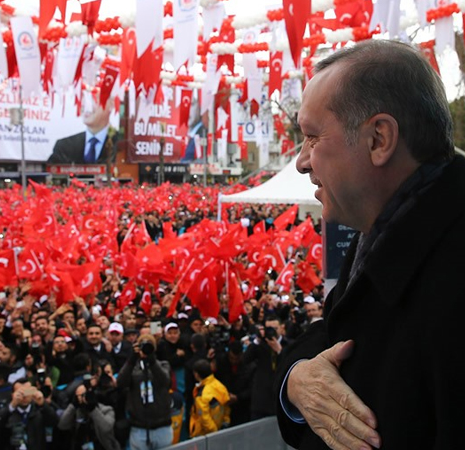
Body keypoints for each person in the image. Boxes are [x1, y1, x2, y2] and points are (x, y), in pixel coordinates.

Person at [276, 40, 463, 450]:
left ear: (379, 138)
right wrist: (296, 380)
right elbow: (333, 334)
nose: (301, 161)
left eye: (311, 137)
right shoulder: (381, 232)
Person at [116, 334, 173, 450]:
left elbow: (165, 382)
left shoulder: (163, 365)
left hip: (162, 426)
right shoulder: (133, 368)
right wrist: (131, 360)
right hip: (139, 428)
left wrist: (151, 360)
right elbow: (121, 383)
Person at [48, 100, 117, 164]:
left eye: (93, 100)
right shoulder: (64, 146)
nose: (86, 107)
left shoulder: (122, 145)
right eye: (83, 99)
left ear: (111, 104)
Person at [57, 382, 121, 450]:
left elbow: (106, 429)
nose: (82, 399)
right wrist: (73, 405)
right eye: (79, 396)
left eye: (84, 395)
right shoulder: (76, 412)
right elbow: (62, 425)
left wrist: (92, 409)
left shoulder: (107, 410)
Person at [189, 359, 230, 437]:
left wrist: (215, 432)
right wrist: (226, 422)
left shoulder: (201, 395)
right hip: (221, 427)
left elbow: (204, 419)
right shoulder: (220, 385)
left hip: (204, 435)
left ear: (196, 374)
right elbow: (226, 405)